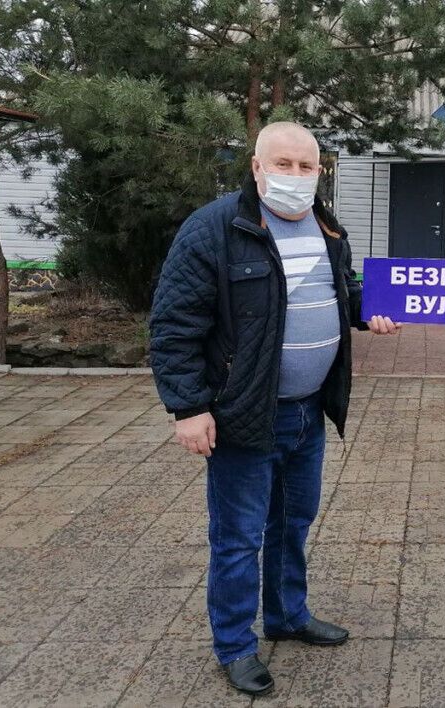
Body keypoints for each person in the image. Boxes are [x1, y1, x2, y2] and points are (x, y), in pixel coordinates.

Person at [149, 122, 399, 696]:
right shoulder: (215, 228)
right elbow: (173, 326)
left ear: (320, 171)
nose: (294, 176)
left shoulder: (328, 226)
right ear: (256, 167)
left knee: (292, 524)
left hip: (309, 412)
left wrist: (371, 309)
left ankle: (288, 616)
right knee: (238, 537)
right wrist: (188, 408)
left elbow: (340, 292)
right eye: (281, 164)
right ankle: (235, 645)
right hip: (245, 415)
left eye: (305, 166)